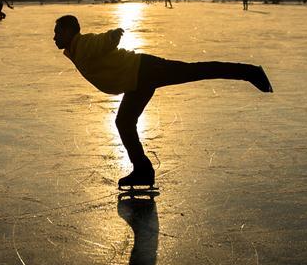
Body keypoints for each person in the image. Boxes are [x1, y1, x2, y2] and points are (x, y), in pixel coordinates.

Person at [53, 15, 273, 188]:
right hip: (135, 81)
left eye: (57, 32)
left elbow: (98, 43)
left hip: (144, 71)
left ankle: (250, 72)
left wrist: (111, 37)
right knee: (124, 122)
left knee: (195, 71)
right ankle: (142, 171)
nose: (54, 37)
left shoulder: (82, 45)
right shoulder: (75, 49)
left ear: (68, 31)